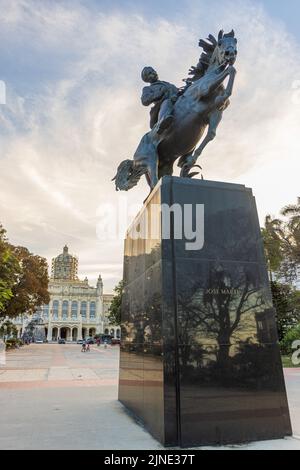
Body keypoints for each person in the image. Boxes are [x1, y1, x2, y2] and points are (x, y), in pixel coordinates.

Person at [141, 66, 178, 134]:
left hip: (176, 101)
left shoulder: (167, 83)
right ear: (147, 78)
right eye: (150, 73)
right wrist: (159, 93)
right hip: (162, 106)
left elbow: (177, 91)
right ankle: (163, 121)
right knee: (166, 102)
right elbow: (144, 101)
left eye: (153, 71)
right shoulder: (148, 88)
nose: (153, 73)